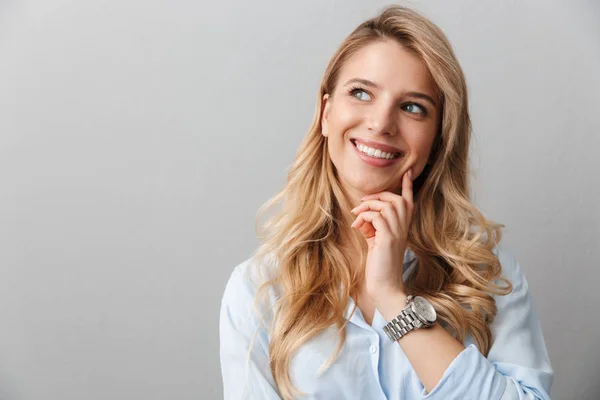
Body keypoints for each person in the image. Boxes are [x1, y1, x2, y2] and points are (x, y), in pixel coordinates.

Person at [219, 5, 554, 399]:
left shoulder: (487, 273)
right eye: (361, 93)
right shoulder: (259, 289)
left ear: (438, 137)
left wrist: (393, 299)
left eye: (413, 107)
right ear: (327, 113)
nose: (381, 123)